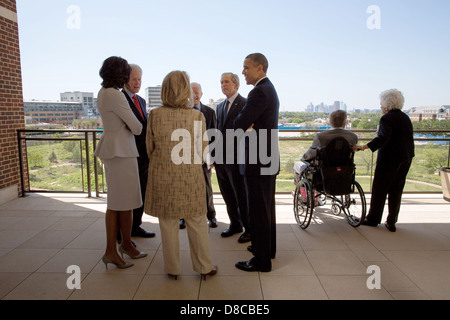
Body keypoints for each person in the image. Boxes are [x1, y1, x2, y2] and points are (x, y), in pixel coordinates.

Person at [144, 70, 217, 280]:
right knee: (197, 222)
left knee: (168, 224)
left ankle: (173, 269)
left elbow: (150, 147)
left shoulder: (155, 115)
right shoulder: (197, 115)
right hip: (190, 177)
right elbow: (203, 150)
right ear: (186, 90)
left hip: (163, 176)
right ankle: (204, 267)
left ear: (165, 89)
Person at [94, 56, 147, 270]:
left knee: (125, 203)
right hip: (120, 154)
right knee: (117, 205)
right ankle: (110, 251)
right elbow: (137, 127)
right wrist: (128, 125)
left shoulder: (103, 92)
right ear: (121, 75)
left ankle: (126, 245)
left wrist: (126, 125)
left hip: (120, 152)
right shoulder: (115, 95)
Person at [233, 53, 280, 272]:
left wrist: (246, 125)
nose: (243, 71)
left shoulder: (259, 92)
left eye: (246, 67)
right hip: (266, 159)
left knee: (259, 212)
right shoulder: (269, 89)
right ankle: (266, 250)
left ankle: (261, 261)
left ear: (259, 68)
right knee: (266, 208)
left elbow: (239, 123)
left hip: (257, 161)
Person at [354, 89, 415, 232]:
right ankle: (391, 221)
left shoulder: (386, 118)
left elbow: (383, 138)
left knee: (380, 189)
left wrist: (362, 147)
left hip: (390, 158)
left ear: (387, 105)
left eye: (381, 104)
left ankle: (373, 219)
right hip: (406, 157)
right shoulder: (405, 117)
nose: (380, 106)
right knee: (396, 189)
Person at [120, 64, 155, 239]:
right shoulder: (119, 98)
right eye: (134, 79)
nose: (137, 82)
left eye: (139, 79)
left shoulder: (140, 100)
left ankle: (136, 227)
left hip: (143, 155)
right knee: (128, 195)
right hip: (127, 154)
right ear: (125, 80)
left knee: (140, 192)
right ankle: (123, 232)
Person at [215, 73, 250, 243]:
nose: (223, 85)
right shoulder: (220, 106)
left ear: (236, 85)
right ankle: (235, 224)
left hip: (236, 159)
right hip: (221, 160)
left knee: (240, 195)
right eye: (221, 82)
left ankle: (249, 229)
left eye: (226, 82)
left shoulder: (245, 103)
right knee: (227, 194)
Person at [179, 83, 217, 229]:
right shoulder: (183, 111)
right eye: (191, 92)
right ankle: (182, 217)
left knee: (207, 186)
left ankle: (211, 216)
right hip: (185, 156)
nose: (194, 95)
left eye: (197, 92)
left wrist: (212, 157)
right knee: (184, 186)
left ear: (202, 94)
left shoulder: (209, 111)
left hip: (204, 155)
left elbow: (213, 134)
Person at [293, 110, 358, 185]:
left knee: (297, 165)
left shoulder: (321, 136)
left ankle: (302, 193)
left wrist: (304, 158)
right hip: (344, 171)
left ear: (330, 122)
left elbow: (311, 154)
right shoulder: (353, 137)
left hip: (323, 172)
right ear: (344, 123)